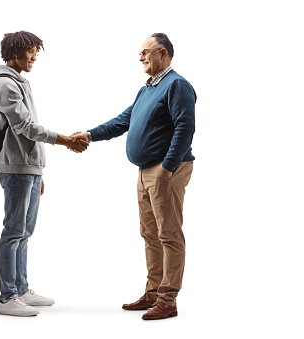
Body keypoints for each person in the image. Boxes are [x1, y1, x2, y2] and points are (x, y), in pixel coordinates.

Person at [72, 33, 196, 320]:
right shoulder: (147, 89)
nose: (141, 57)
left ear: (162, 53)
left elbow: (185, 127)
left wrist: (168, 166)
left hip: (166, 170)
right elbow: (123, 120)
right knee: (150, 234)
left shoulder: (177, 84)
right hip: (145, 172)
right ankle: (153, 293)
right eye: (140, 53)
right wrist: (90, 135)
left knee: (169, 234)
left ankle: (168, 300)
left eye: (145, 52)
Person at [0, 31, 88, 317]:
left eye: (35, 52)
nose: (33, 57)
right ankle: (7, 298)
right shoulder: (5, 85)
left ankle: (21, 289)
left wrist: (38, 171)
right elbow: (26, 128)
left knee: (25, 232)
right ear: (14, 52)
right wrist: (65, 140)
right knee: (13, 232)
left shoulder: (20, 82)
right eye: (30, 51)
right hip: (16, 167)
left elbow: (28, 131)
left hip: (28, 167)